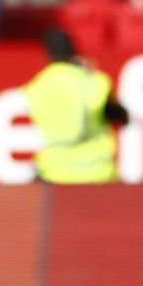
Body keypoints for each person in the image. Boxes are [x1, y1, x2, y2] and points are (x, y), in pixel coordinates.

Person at [24, 28, 128, 183]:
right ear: (74, 52)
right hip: (98, 173)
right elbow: (122, 117)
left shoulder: (36, 87)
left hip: (54, 172)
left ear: (46, 55)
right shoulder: (94, 81)